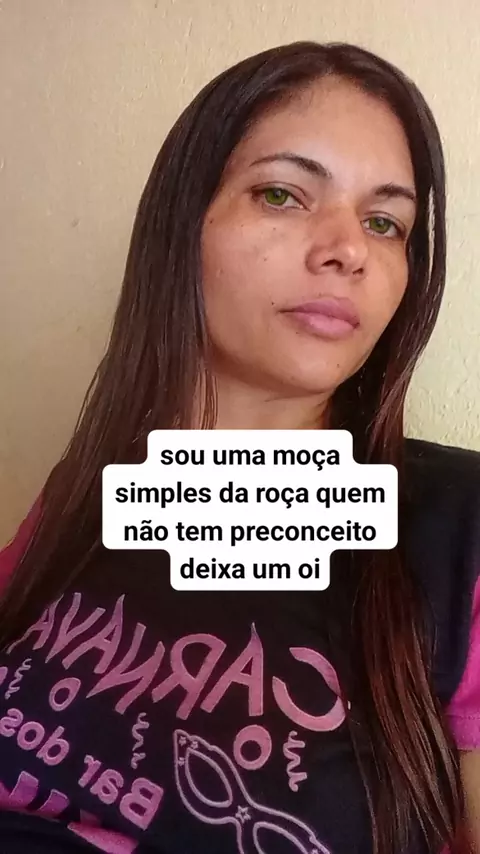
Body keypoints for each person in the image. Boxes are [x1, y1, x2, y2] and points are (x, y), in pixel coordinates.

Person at [0, 40, 479, 854]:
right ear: (182, 226)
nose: (348, 249)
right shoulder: (87, 489)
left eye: (384, 222)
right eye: (283, 194)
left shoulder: (457, 527)